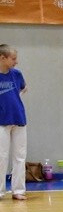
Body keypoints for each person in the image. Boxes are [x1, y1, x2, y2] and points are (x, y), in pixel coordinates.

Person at [0, 44, 27, 201]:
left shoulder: (16, 74)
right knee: (1, 156)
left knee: (20, 156)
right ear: (2, 58)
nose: (16, 62)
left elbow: (23, 88)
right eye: (13, 58)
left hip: (18, 118)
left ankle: (18, 190)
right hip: (1, 121)